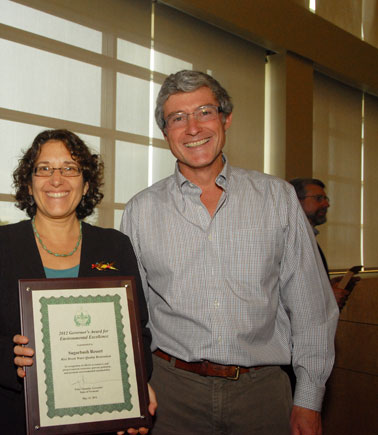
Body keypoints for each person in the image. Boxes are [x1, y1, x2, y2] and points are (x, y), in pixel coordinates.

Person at [120, 70, 338, 435]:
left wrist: (309, 398)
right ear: (165, 133)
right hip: (172, 395)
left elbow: (311, 308)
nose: (192, 128)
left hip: (262, 394)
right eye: (178, 118)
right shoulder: (140, 210)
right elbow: (130, 317)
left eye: (204, 112)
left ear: (226, 118)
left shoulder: (277, 198)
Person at [0, 129, 156, 435]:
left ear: (86, 182)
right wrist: (12, 358)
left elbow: (137, 335)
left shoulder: (115, 246)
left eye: (70, 168)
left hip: (97, 419)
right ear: (29, 182)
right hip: (10, 417)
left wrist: (135, 387)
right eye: (44, 169)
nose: (56, 179)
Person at [290, 177, 357, 309]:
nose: (326, 204)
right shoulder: (290, 238)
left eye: (326, 199)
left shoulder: (308, 236)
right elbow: (285, 292)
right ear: (297, 201)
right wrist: (327, 297)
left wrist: (327, 284)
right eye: (318, 198)